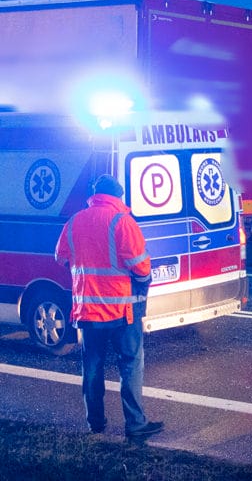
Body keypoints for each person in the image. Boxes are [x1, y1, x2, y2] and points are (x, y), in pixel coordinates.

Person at [54, 174, 163, 439]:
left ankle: (96, 424)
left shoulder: (75, 221)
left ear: (95, 196)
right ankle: (135, 425)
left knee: (92, 367)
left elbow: (60, 257)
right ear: (118, 196)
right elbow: (140, 266)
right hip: (121, 311)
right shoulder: (122, 221)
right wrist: (144, 278)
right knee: (130, 364)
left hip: (88, 311)